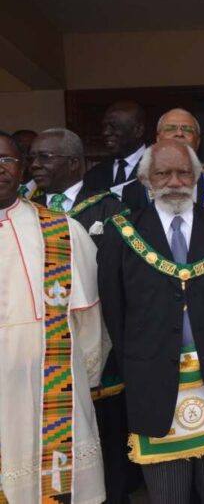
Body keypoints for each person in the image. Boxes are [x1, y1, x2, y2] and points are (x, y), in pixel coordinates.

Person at [97, 140, 204, 504]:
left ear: (197, 177)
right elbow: (115, 314)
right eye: (163, 173)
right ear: (146, 180)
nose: (174, 181)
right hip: (153, 388)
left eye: (183, 172)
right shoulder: (121, 233)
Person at [0, 131, 107, 503]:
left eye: (7, 160)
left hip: (52, 388)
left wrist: (87, 378)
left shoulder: (62, 231)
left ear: (21, 167)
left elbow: (89, 318)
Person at [122, 108, 204, 213]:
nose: (179, 133)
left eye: (187, 129)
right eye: (170, 129)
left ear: (198, 141)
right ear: (158, 139)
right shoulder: (134, 190)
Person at [84, 100, 147, 195]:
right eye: (104, 126)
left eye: (114, 127)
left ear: (138, 130)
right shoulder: (94, 175)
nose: (106, 132)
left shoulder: (160, 168)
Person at [13, 129, 40, 199]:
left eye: (30, 150)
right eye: (20, 149)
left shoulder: (50, 188)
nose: (25, 155)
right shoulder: (3, 188)